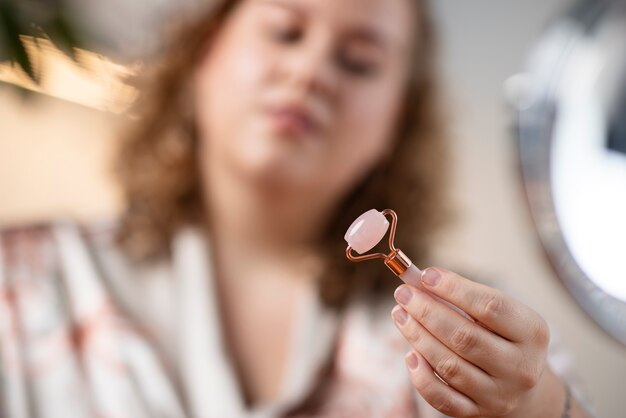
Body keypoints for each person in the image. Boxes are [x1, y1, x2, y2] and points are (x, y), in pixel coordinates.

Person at [0, 0, 591, 417]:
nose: (310, 72)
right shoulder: (19, 283)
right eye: (284, 30)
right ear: (203, 56)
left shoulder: (484, 335)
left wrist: (543, 408)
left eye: (359, 62)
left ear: (396, 121)